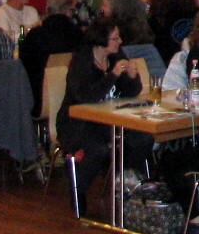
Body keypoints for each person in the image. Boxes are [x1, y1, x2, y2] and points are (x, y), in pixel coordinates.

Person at [56, 17, 146, 214]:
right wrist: (112, 75)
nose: (120, 41)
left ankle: (127, 187)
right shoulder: (81, 62)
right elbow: (85, 96)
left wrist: (132, 77)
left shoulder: (116, 56)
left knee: (142, 138)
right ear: (100, 40)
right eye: (115, 38)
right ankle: (78, 189)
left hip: (110, 120)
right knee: (99, 150)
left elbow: (131, 92)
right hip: (79, 123)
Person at [20, 0, 86, 117]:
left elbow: (23, 65)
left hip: (38, 100)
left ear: (47, 10)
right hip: (72, 96)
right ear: (68, 12)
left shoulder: (34, 36)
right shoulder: (78, 35)